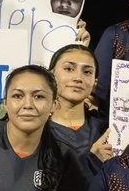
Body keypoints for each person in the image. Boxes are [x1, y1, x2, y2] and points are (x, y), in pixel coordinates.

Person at [46, 42, 117, 180]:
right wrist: (92, 162)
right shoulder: (34, 130)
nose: (78, 78)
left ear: (95, 82)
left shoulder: (108, 130)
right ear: (51, 76)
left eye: (87, 72)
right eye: (69, 69)